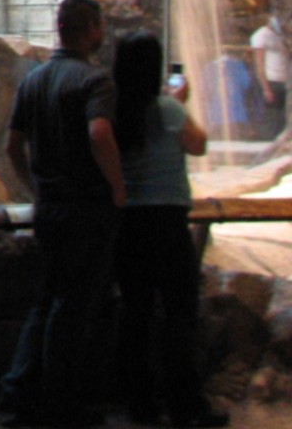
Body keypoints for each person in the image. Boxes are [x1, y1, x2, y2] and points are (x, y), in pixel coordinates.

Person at [0, 0, 126, 428]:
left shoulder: (33, 81)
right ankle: (61, 401)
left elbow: (11, 146)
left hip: (49, 207)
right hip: (86, 208)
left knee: (46, 300)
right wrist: (118, 186)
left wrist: (33, 188)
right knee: (74, 306)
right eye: (100, 25)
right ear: (92, 29)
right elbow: (99, 132)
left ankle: (20, 392)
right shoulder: (95, 81)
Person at [112, 33, 228, 428]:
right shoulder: (166, 108)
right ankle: (184, 403)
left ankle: (140, 404)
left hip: (128, 223)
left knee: (136, 314)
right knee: (180, 314)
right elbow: (198, 145)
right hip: (167, 221)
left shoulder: (111, 109)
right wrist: (180, 104)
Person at [249, 14, 287, 139]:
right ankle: (271, 137)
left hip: (284, 79)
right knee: (273, 115)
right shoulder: (261, 36)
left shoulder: (280, 36)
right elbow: (260, 63)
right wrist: (266, 87)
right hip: (271, 80)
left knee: (283, 114)